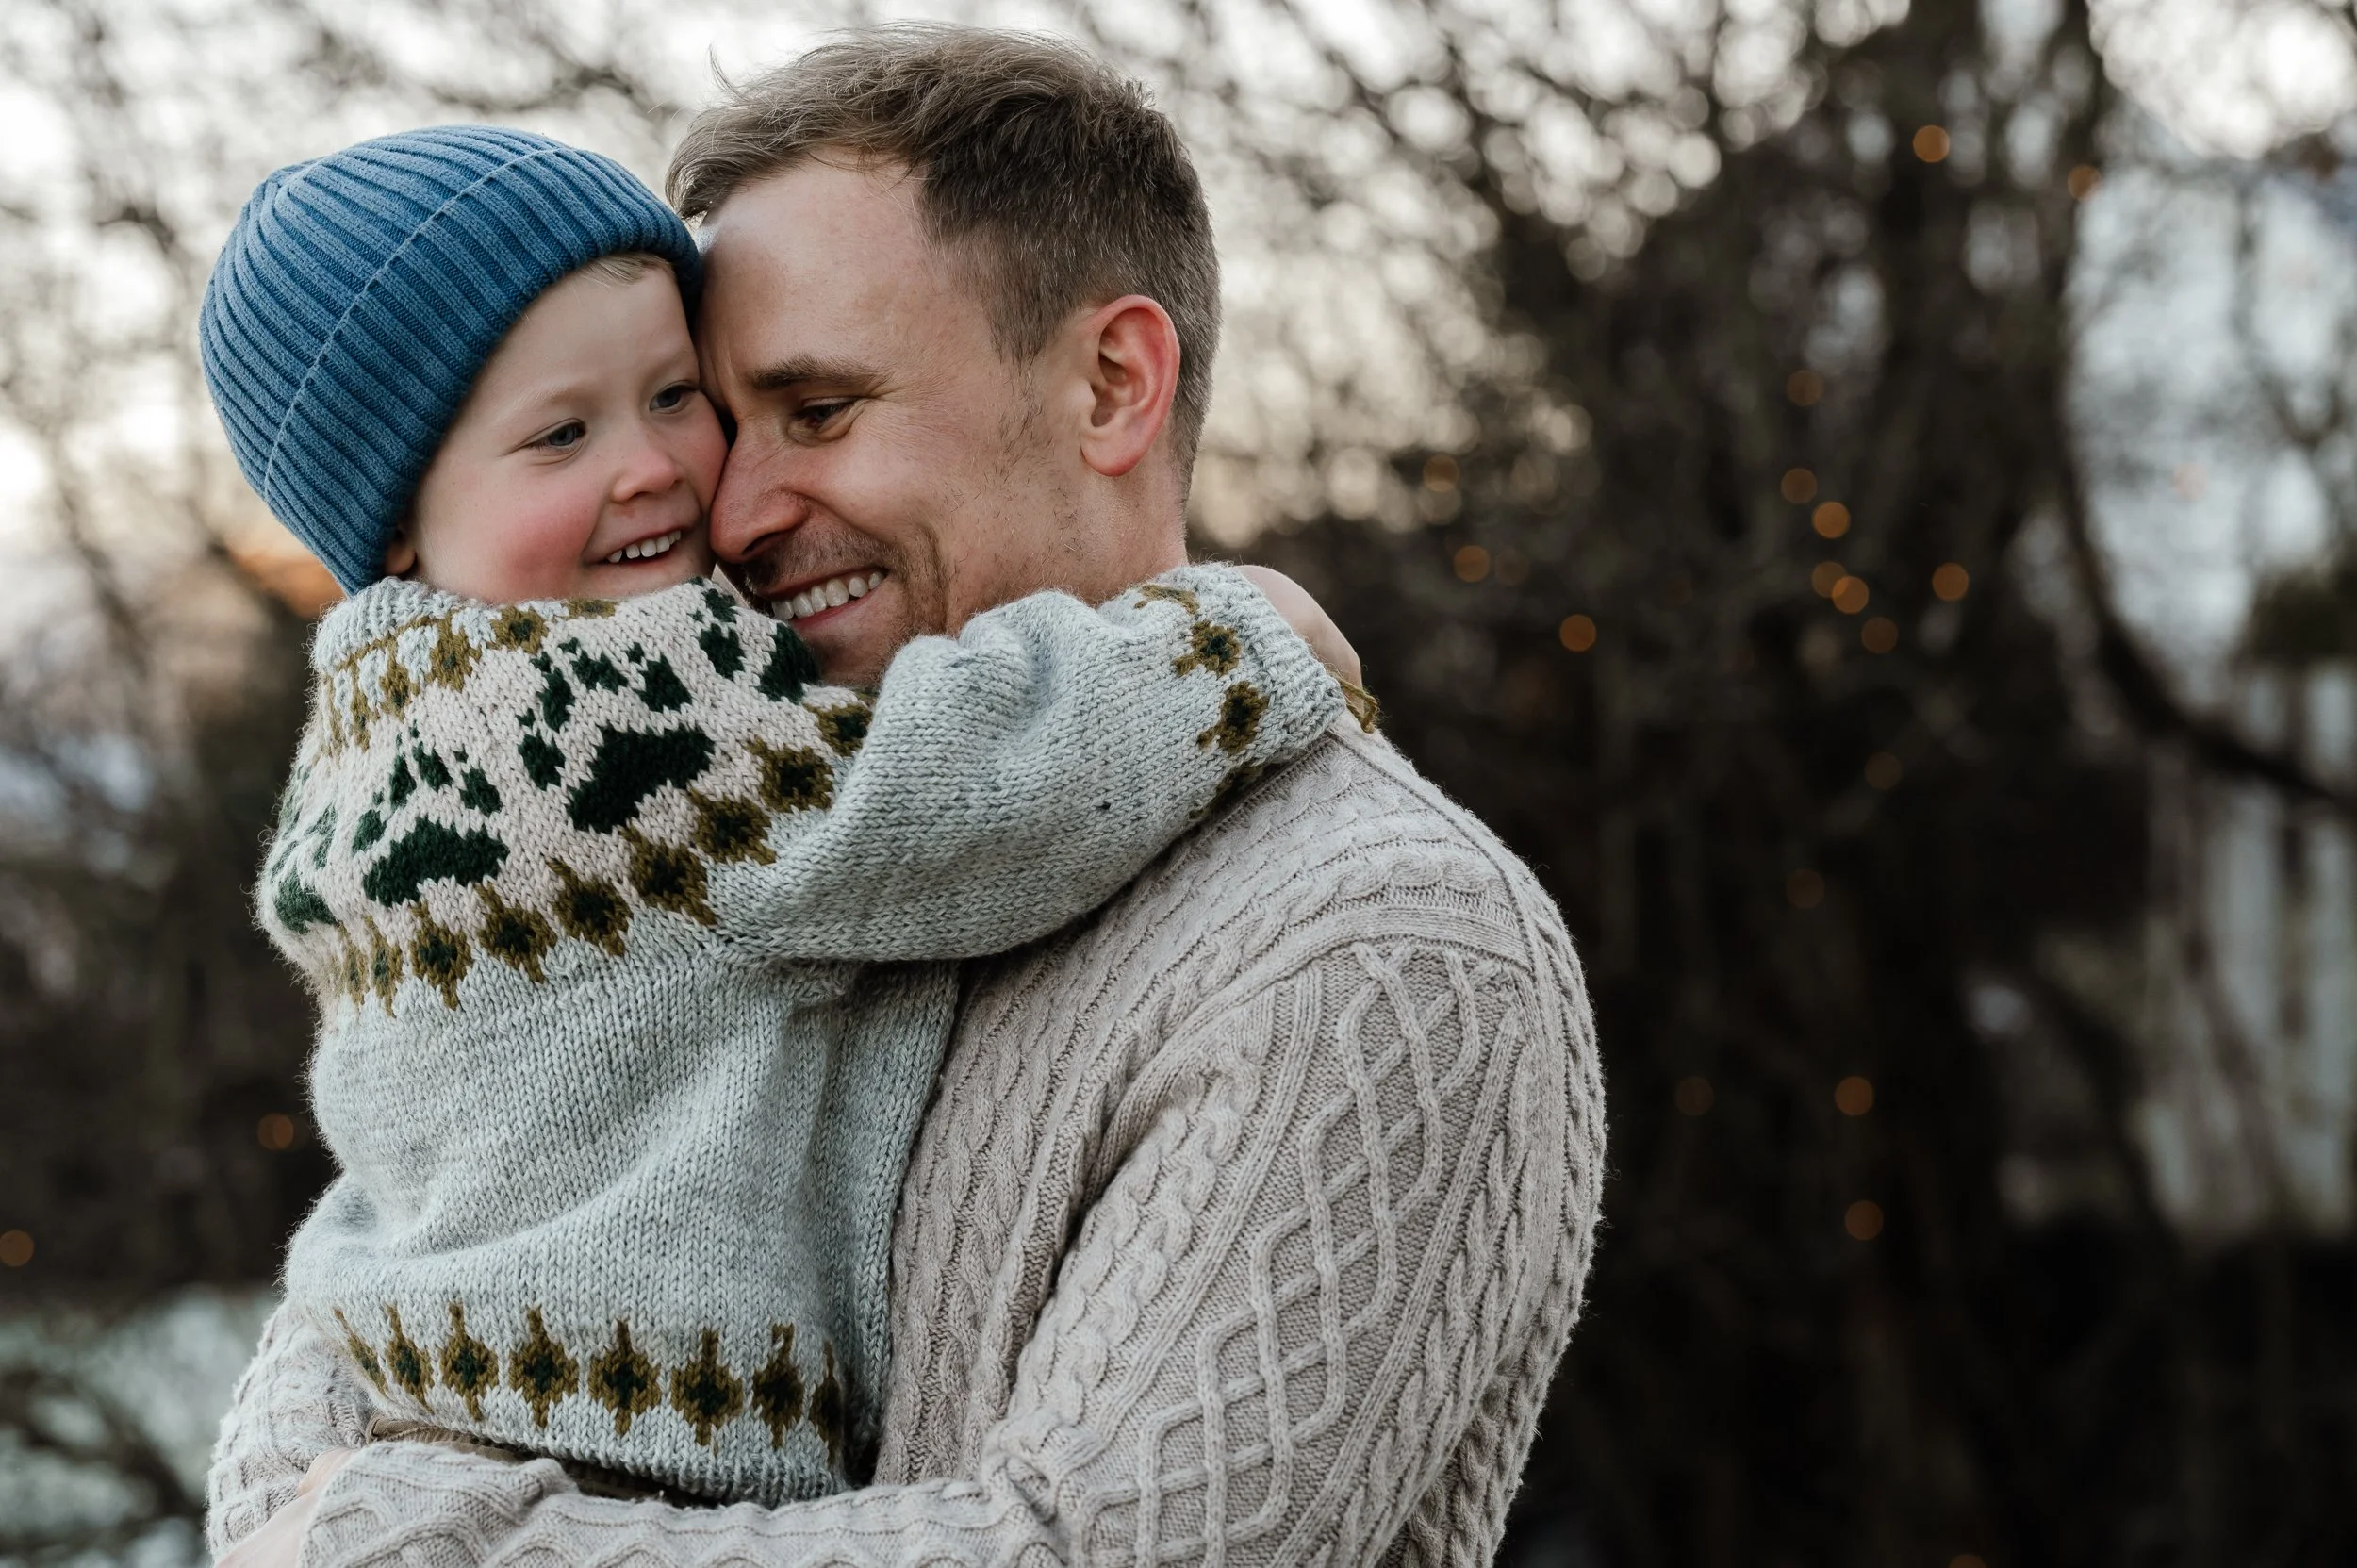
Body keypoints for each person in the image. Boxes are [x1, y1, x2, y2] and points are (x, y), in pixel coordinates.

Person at [207, 26, 1606, 1568]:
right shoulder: (719, 822)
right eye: (724, 420)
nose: (720, 506)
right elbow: (401, 1274)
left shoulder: (1371, 948)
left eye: (812, 412)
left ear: (1112, 381)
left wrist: (429, 1544)